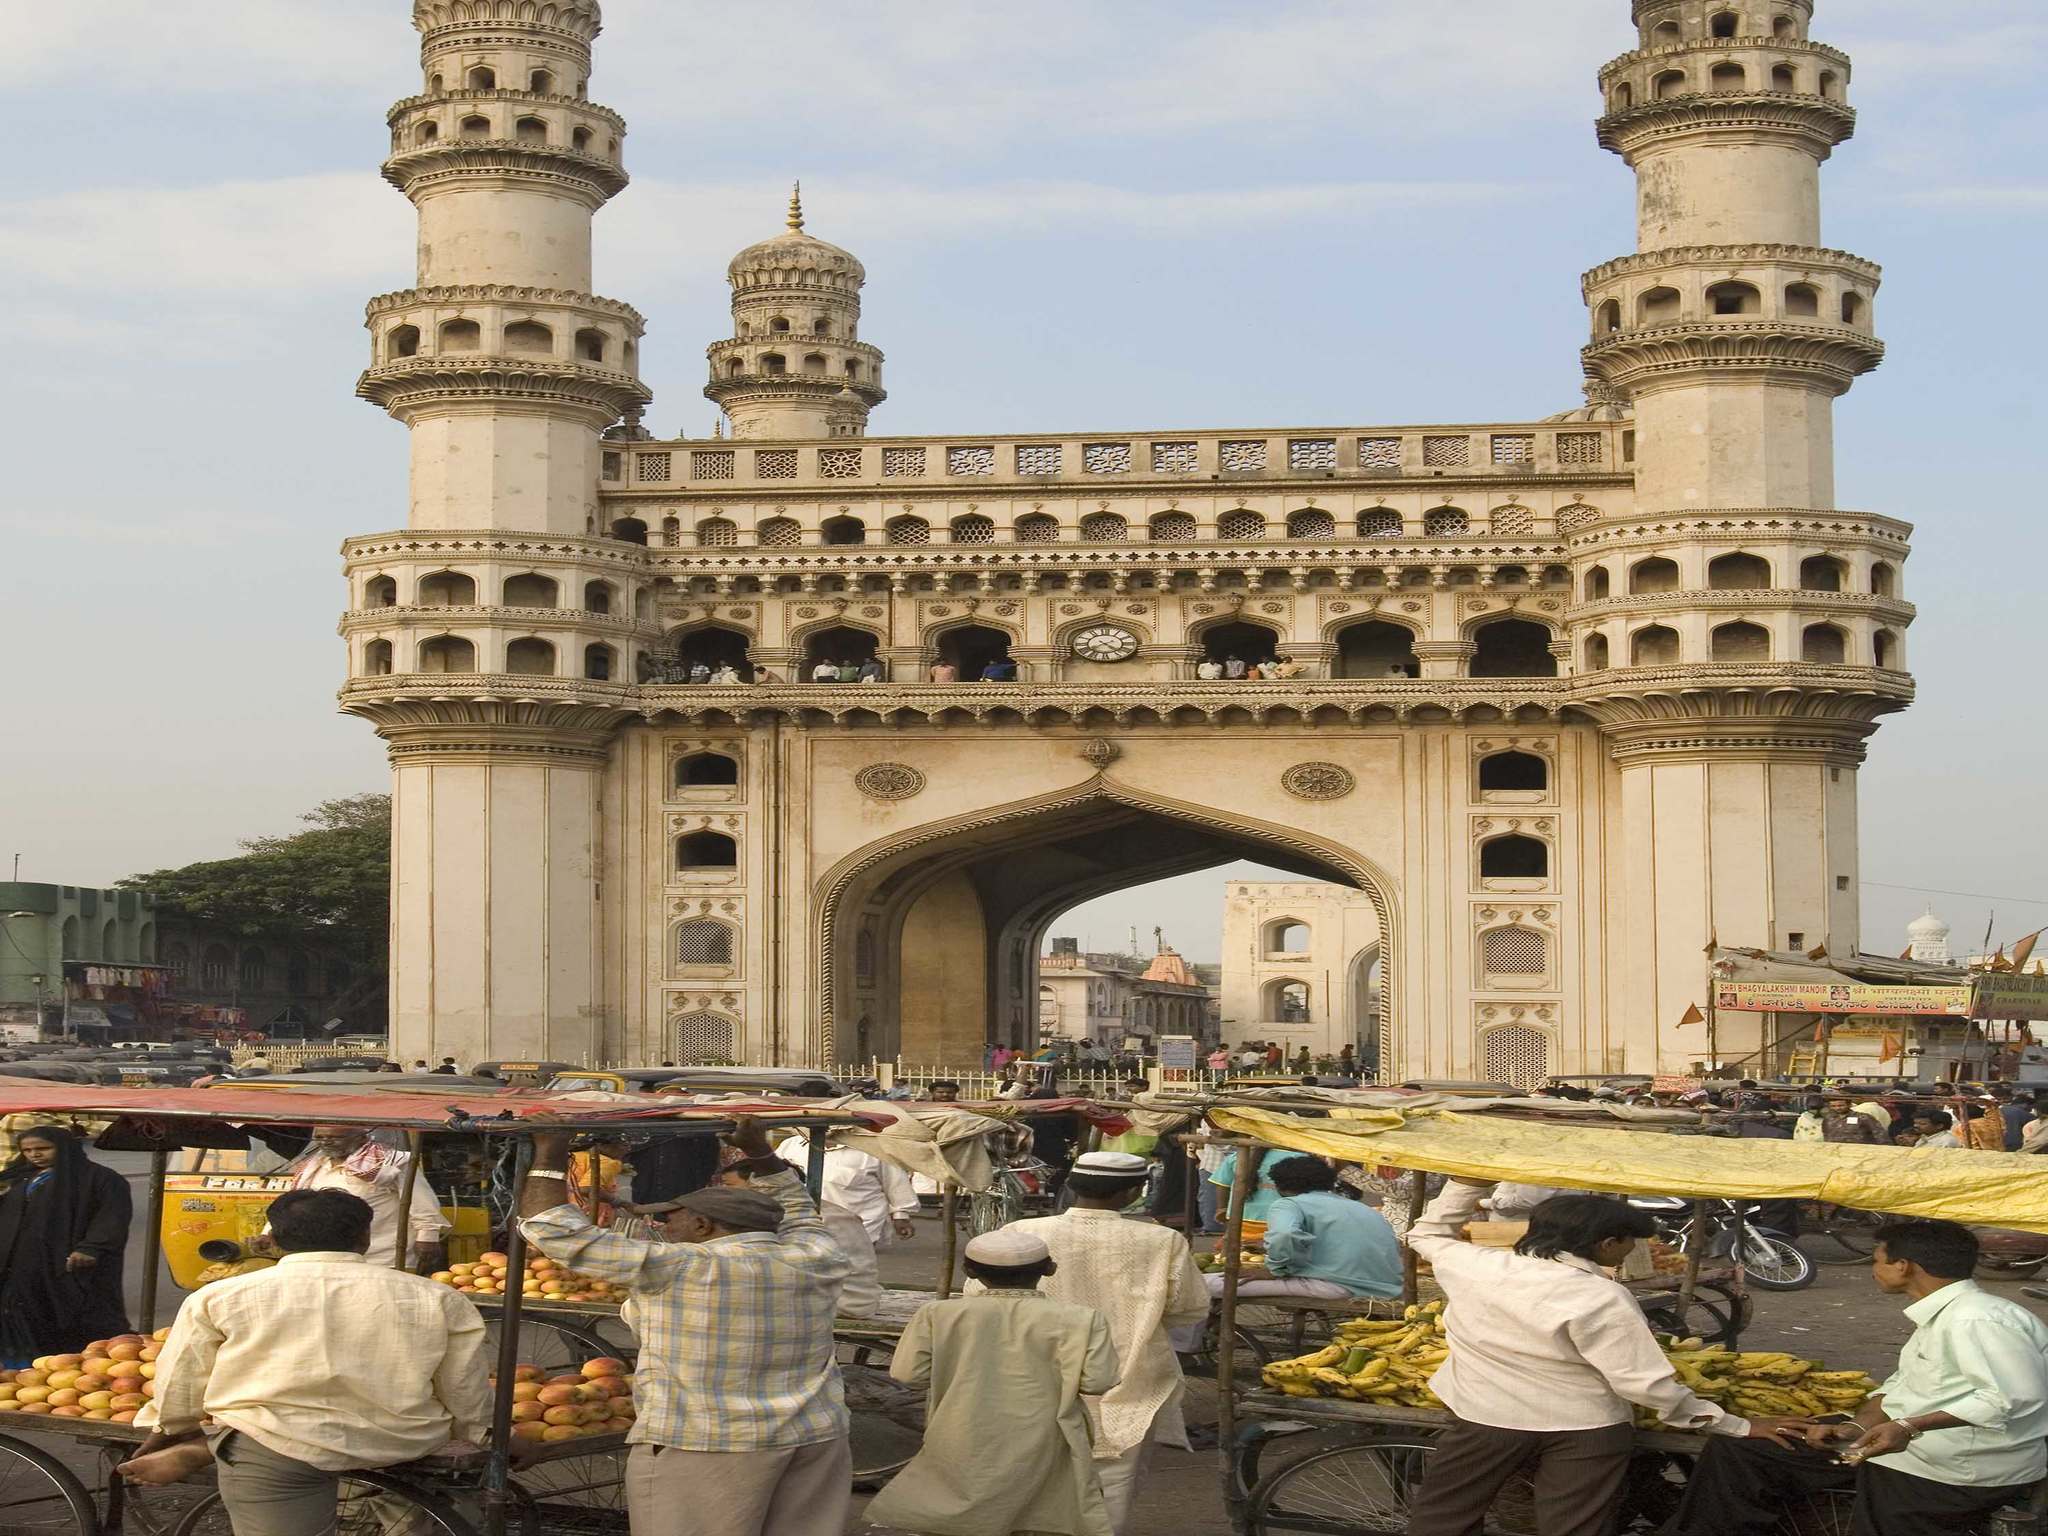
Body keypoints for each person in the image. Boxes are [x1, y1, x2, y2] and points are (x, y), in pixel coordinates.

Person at [1402, 1180, 1801, 1536]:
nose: (1633, 1251)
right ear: (1607, 1244)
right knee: (1574, 1527)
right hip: (1584, 1428)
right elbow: (1642, 1383)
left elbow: (1424, 1232)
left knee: (1442, 1519)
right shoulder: (1602, 1296)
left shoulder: (1473, 1264)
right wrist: (1732, 1424)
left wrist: (1463, 1184)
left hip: (1485, 1417)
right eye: (1630, 1242)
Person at [520, 1117, 852, 1536]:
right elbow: (801, 1211)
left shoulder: (683, 1266)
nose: (663, 1226)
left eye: (673, 1218)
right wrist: (761, 1152)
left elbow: (550, 1228)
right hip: (815, 1437)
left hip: (708, 1442)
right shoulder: (816, 1256)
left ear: (703, 1226)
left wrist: (548, 1154)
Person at [128, 1188, 491, 1534]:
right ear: (364, 1238)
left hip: (274, 1446)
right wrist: (483, 1433)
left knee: (255, 1442)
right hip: (399, 1442)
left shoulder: (221, 1296)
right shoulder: (437, 1297)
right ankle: (206, 1448)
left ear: (274, 1240)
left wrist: (170, 1427)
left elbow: (182, 1376)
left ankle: (206, 1447)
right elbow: (464, 1387)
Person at [1663, 1219, 2048, 1536]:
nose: (1874, 1271)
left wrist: (1908, 1426)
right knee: (1746, 1448)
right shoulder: (1944, 1315)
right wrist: (1851, 1426)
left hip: (1956, 1467)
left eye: (1878, 1261)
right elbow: (1903, 1385)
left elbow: (2010, 1396)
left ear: (1904, 1266)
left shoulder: (1976, 1319)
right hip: (1907, 1442)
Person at [1002, 1150, 1209, 1536]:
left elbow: (985, 1298)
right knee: (1110, 1488)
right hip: (1128, 1379)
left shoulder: (1021, 1234)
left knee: (1028, 1481)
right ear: (1133, 1192)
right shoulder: (1162, 1241)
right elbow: (1189, 1308)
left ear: (1072, 1185)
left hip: (1031, 1376)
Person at [862, 1228, 1121, 1536]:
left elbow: (908, 1375)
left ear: (968, 1271)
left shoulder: (937, 1314)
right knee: (1037, 1515)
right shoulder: (1082, 1318)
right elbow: (1097, 1381)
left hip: (959, 1430)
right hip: (1046, 1435)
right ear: (1049, 1268)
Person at [0, 1126, 132, 1364]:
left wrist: (91, 1247)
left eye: (42, 1148)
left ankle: (75, 1364)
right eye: (27, 1150)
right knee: (22, 1316)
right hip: (22, 1266)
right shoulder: (20, 1178)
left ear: (63, 1147)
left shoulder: (99, 1178)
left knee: (72, 1319)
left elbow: (112, 1217)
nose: (34, 1155)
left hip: (69, 1266)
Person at [1205, 1156, 1401, 1301]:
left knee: (1201, 1284)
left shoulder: (1289, 1204)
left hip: (1338, 1286)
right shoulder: (1360, 1207)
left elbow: (1286, 1234)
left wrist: (1275, 1270)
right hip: (1386, 1286)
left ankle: (1186, 1349)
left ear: (1279, 1186)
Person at [274, 1124, 448, 1272]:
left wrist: (428, 1237)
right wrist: (268, 1233)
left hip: (384, 1256)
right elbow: (293, 1205)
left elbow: (423, 1203)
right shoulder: (313, 1167)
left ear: (362, 1137)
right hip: (330, 1256)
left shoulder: (391, 1163)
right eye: (320, 1137)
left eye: (335, 1138)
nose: (325, 1142)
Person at [774, 1136, 917, 1246]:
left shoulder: (873, 1150)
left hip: (860, 1226)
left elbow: (895, 1183)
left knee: (855, 1271)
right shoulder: (791, 1145)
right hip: (801, 1223)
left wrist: (901, 1216)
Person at [1820, 1094, 1887, 1145]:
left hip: (1859, 1152)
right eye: (1833, 1106)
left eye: (1841, 1105)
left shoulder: (1863, 1117)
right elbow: (1826, 1134)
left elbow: (1880, 1134)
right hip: (1835, 1152)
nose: (1837, 1108)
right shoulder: (1828, 1119)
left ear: (1849, 1105)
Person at [1994, 1085, 2033, 1152]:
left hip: (1995, 1144)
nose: (2002, 1101)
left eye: (2005, 1099)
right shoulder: (2021, 1112)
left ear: (2011, 1098)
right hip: (2016, 1144)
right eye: (1999, 1099)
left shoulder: (1990, 1111)